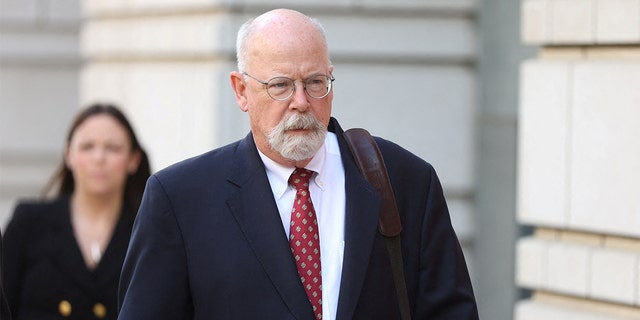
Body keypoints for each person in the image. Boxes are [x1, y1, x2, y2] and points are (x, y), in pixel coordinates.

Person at [118, 8, 478, 320]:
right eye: (280, 85)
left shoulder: (406, 182)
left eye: (315, 82)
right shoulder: (180, 199)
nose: (301, 102)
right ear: (241, 91)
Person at [2, 104, 151, 320]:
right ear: (68, 154)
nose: (99, 158)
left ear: (133, 159)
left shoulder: (148, 232)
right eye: (87, 147)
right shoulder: (29, 223)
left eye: (113, 148)